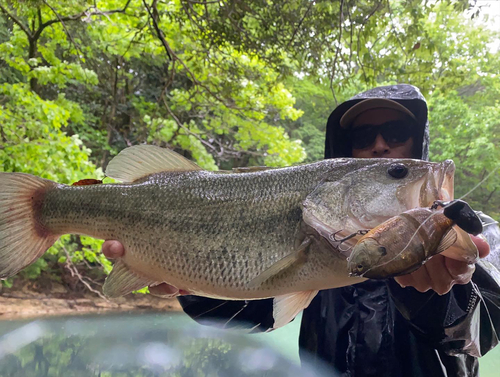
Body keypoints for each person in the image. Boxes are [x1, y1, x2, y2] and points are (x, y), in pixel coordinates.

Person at [101, 84, 500, 376]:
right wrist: (188, 280)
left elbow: (485, 329)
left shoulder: (477, 231)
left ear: (419, 142)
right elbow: (253, 314)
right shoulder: (316, 224)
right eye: (363, 136)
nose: (380, 144)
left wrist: (448, 296)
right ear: (344, 154)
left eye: (396, 132)